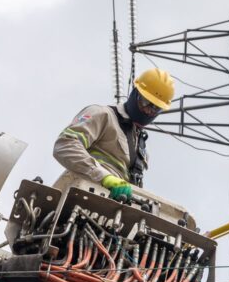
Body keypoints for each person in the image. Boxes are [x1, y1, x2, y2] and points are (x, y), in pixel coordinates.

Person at [53, 67, 175, 197]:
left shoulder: (140, 148)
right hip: (84, 193)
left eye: (156, 108)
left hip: (115, 207)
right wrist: (104, 176)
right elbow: (65, 144)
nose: (148, 111)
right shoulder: (103, 115)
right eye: (145, 102)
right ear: (134, 93)